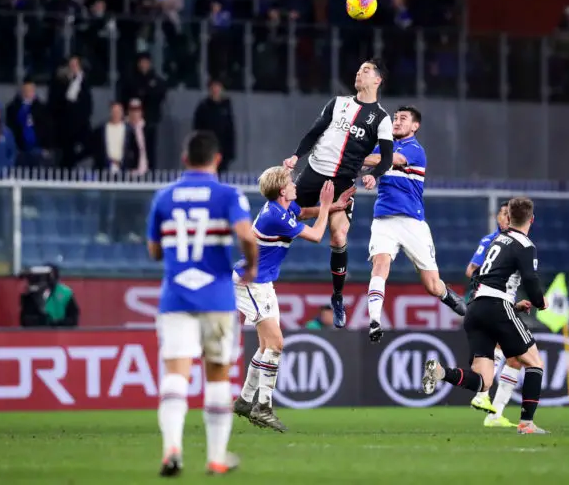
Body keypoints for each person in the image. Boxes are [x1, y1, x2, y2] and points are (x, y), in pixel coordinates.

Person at [146, 131, 257, 476]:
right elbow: (245, 233)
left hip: (176, 296)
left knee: (175, 375)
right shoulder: (228, 195)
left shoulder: (164, 197)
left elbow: (153, 250)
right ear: (217, 159)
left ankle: (172, 449)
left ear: (185, 159)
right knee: (218, 377)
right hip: (217, 298)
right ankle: (215, 458)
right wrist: (252, 265)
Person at [233, 166, 354, 431]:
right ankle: (263, 407)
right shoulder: (275, 216)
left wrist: (334, 206)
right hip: (251, 283)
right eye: (290, 182)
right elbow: (316, 235)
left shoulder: (282, 208)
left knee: (266, 346)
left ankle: (244, 400)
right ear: (282, 191)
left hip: (263, 283)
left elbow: (304, 213)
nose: (294, 185)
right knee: (276, 344)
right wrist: (326, 205)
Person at [422, 197, 550, 435]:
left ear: (508, 217)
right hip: (496, 305)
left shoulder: (496, 240)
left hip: (476, 307)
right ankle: (527, 423)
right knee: (534, 363)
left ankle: (440, 372)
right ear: (532, 219)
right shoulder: (525, 244)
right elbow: (530, 280)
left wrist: (511, 305)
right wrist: (540, 302)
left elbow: (480, 276)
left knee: (483, 380)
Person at [283, 59, 394, 328]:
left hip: (342, 183)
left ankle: (337, 296)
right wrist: (296, 156)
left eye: (365, 70)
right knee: (285, 217)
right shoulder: (338, 103)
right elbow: (314, 132)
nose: (358, 73)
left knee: (339, 235)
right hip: (313, 173)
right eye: (358, 69)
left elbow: (387, 158)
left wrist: (374, 174)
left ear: (377, 80)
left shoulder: (381, 118)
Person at [361, 105, 465, 344]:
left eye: (403, 119)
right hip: (383, 220)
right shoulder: (382, 146)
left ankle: (449, 296)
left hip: (412, 222)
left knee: (432, 286)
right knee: (380, 265)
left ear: (415, 126)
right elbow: (367, 165)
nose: (397, 122)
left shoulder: (415, 149)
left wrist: (352, 156)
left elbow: (391, 160)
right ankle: (375, 320)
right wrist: (362, 170)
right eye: (395, 118)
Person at [465, 201, 524, 427]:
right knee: (510, 352)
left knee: (515, 359)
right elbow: (471, 270)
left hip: (505, 303)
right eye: (504, 213)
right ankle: (482, 396)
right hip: (491, 303)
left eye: (510, 214)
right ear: (497, 217)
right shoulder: (490, 241)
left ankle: (494, 414)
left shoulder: (519, 242)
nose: (507, 217)